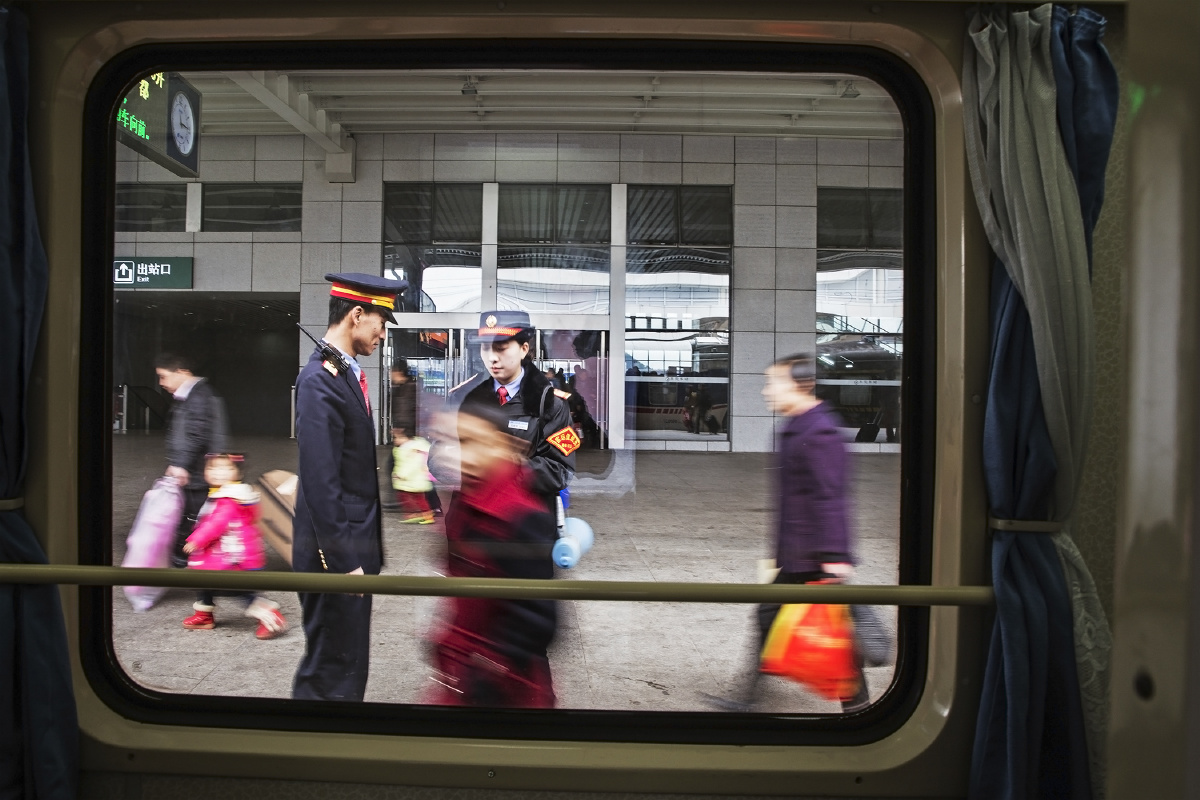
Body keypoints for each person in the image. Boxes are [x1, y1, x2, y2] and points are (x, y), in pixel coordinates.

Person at [704, 353, 868, 713]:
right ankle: (751, 698)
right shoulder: (796, 427)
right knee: (772, 618)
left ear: (801, 385)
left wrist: (836, 557)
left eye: (774, 383)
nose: (767, 391)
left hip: (813, 554)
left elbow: (831, 497)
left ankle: (859, 709)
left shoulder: (820, 431)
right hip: (797, 551)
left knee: (833, 634)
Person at [291, 271, 407, 702]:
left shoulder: (342, 372)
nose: (382, 333)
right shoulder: (321, 380)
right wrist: (344, 562)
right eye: (381, 322)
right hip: (334, 558)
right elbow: (321, 481)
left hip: (349, 550)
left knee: (345, 661)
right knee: (329, 670)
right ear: (357, 315)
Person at [426, 403, 558, 707]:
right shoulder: (463, 502)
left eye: (471, 442)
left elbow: (538, 619)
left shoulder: (522, 517)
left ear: (502, 446)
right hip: (463, 673)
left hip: (504, 691)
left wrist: (487, 671)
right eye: (451, 441)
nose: (457, 454)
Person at [456, 310, 576, 514]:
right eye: (485, 348)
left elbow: (561, 471)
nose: (492, 358)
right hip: (474, 526)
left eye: (501, 348)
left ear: (523, 349)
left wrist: (508, 465)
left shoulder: (551, 404)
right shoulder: (462, 398)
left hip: (527, 526)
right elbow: (437, 459)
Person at [181, 453, 286, 640]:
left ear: (237, 474)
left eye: (225, 468)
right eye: (212, 468)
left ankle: (270, 616)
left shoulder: (230, 498)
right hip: (219, 555)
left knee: (239, 591)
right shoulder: (222, 493)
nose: (218, 473)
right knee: (203, 582)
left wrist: (197, 539)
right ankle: (204, 615)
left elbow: (217, 523)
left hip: (233, 558)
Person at [155, 353, 228, 568]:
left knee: (191, 515)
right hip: (194, 470)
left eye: (164, 376)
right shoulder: (189, 395)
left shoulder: (198, 396)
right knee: (190, 513)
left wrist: (181, 464)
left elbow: (196, 434)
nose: (161, 383)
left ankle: (184, 556)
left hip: (196, 472)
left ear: (182, 373)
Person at [391, 427, 434, 524]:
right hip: (407, 480)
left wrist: (401, 474)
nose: (395, 440)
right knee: (404, 496)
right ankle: (414, 514)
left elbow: (413, 464)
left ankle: (427, 515)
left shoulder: (413, 449)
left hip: (414, 479)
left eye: (397, 437)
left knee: (418, 498)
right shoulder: (402, 448)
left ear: (405, 438)